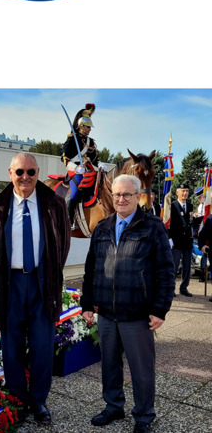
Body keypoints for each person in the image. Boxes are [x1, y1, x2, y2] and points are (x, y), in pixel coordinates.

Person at [0, 154, 71, 423]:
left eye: (31, 172)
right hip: (11, 284)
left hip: (43, 282)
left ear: (38, 172)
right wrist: (1, 277)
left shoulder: (55, 204)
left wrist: (50, 273)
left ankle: (39, 400)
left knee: (43, 345)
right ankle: (19, 400)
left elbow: (62, 246)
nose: (25, 177)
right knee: (12, 345)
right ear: (10, 172)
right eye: (19, 171)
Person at [82, 174, 173, 433]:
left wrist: (159, 309)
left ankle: (144, 416)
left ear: (137, 197)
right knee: (109, 366)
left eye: (127, 195)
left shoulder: (153, 227)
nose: (121, 199)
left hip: (138, 314)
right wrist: (87, 303)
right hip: (107, 314)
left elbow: (165, 271)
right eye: (117, 195)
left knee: (141, 369)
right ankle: (113, 407)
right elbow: (91, 269)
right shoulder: (102, 227)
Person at [61, 105, 100, 208]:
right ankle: (69, 219)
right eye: (88, 127)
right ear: (82, 126)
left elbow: (94, 159)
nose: (90, 129)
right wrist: (76, 168)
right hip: (75, 171)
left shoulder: (89, 141)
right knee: (75, 193)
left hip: (88, 169)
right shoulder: (72, 139)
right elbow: (65, 158)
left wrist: (100, 164)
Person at [167, 187, 196, 296]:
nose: (185, 193)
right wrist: (169, 238)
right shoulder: (172, 206)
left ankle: (184, 288)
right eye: (183, 191)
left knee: (187, 266)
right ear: (177, 192)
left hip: (187, 241)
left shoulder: (190, 206)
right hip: (176, 241)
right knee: (174, 266)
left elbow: (191, 221)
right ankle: (171, 288)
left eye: (187, 191)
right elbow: (168, 223)